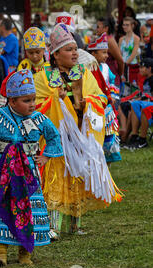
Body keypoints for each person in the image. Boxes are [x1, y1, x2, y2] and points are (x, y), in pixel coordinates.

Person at [34, 23, 122, 238]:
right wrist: (58, 100)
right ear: (55, 55)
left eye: (75, 48)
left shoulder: (82, 72)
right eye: (68, 49)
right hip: (57, 134)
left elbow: (100, 97)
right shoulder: (45, 75)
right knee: (57, 174)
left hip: (82, 132)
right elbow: (36, 104)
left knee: (78, 174)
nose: (74, 53)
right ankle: (53, 225)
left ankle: (75, 224)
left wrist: (87, 102)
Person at [0, 69, 63, 265]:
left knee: (28, 208)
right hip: (2, 170)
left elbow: (54, 137)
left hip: (27, 172)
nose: (32, 104)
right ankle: (0, 254)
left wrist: (45, 157)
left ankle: (24, 254)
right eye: (27, 100)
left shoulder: (39, 119)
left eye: (33, 99)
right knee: (0, 206)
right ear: (12, 101)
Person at [88, 33, 122, 164]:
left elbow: (112, 82)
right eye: (103, 53)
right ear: (93, 54)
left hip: (107, 107)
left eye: (107, 52)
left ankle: (107, 162)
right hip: (95, 107)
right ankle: (96, 161)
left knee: (109, 134)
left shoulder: (106, 68)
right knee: (96, 133)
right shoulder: (89, 68)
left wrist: (112, 95)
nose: (107, 55)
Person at [121, 57, 153, 149]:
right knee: (133, 104)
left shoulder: (152, 80)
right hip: (146, 105)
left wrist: (143, 101)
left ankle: (141, 140)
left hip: (148, 107)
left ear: (149, 68)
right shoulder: (146, 80)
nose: (140, 70)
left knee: (140, 105)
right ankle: (133, 136)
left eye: (142, 67)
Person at [96, 17, 124, 87]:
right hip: (104, 77)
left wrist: (118, 75)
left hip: (112, 79)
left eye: (98, 27)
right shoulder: (103, 39)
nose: (96, 29)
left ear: (106, 28)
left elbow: (120, 60)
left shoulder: (110, 40)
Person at [119, 17, 141, 85]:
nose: (124, 27)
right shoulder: (121, 39)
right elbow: (119, 54)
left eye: (127, 25)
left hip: (133, 67)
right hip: (123, 67)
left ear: (132, 25)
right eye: (123, 25)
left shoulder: (136, 38)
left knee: (133, 88)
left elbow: (133, 54)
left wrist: (125, 65)